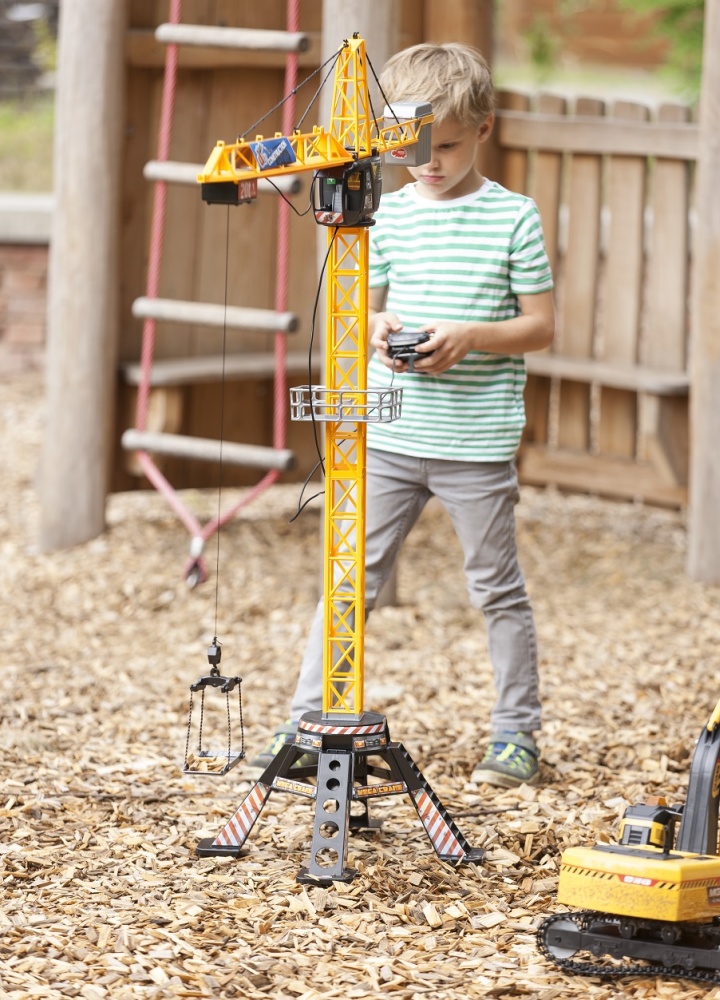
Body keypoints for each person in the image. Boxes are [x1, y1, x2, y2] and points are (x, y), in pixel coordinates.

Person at [248, 41, 555, 788]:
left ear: (483, 129)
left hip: (474, 443)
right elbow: (363, 311)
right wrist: (377, 330)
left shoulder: (512, 218)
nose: (428, 163)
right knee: (348, 579)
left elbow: (540, 327)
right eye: (412, 149)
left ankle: (515, 733)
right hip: (387, 435)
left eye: (445, 146)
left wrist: (469, 337)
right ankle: (305, 717)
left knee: (495, 588)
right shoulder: (382, 214)